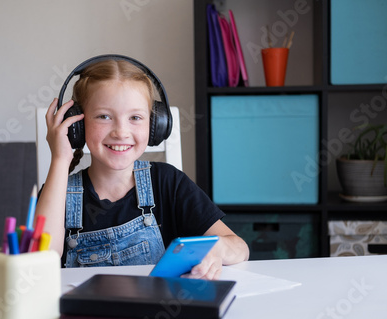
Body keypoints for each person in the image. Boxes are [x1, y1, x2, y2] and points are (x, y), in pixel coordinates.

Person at [35, 56, 249, 280]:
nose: (121, 131)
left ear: (155, 126)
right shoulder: (59, 193)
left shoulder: (168, 182)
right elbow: (39, 260)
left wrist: (215, 250)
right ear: (77, 124)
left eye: (135, 117)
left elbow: (240, 248)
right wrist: (60, 159)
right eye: (104, 116)